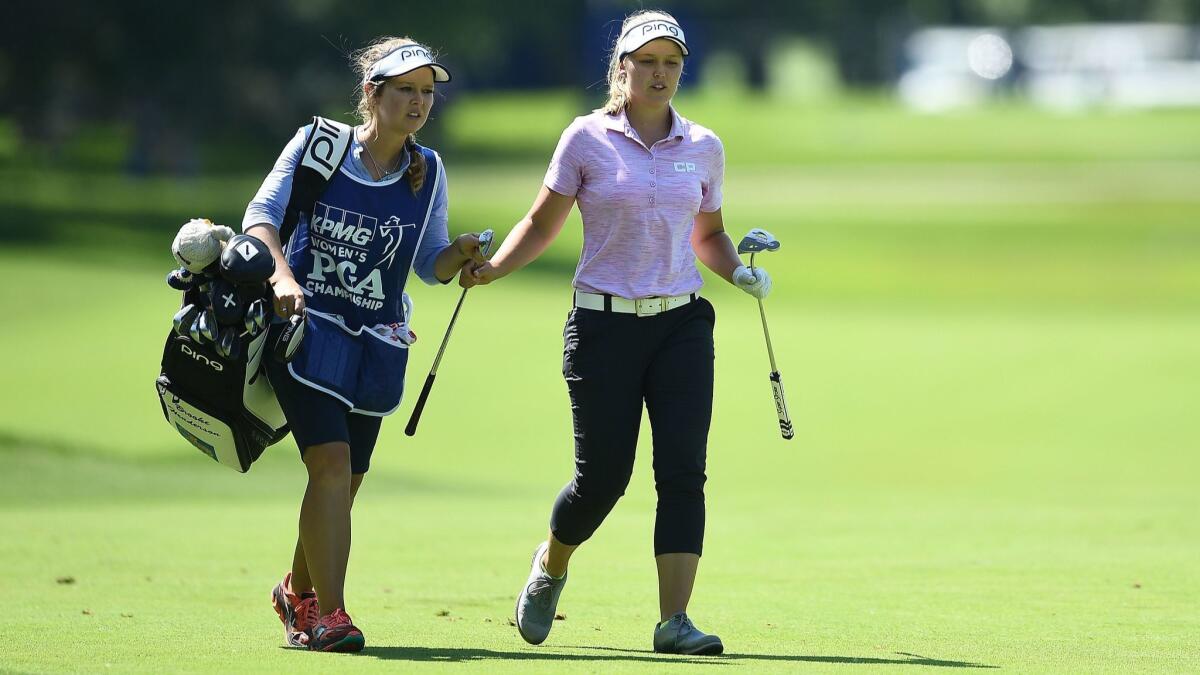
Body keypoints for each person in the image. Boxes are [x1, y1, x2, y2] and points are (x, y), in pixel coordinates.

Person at [463, 9, 772, 656]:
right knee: (602, 479)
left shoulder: (704, 146)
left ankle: (674, 620)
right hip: (602, 325)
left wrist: (738, 273)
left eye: (672, 63)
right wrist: (493, 268)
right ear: (622, 68)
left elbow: (708, 234)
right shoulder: (585, 138)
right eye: (648, 61)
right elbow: (542, 224)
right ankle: (550, 564)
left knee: (683, 471)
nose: (660, 74)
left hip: (682, 323)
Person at [242, 37, 486, 653]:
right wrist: (282, 275)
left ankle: (295, 592)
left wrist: (458, 253)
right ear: (373, 93)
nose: (419, 102)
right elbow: (260, 217)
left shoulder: (426, 169)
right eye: (406, 88)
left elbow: (429, 265)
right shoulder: (317, 146)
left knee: (344, 480)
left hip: (377, 341)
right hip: (304, 330)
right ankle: (330, 614)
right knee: (327, 464)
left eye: (428, 92)